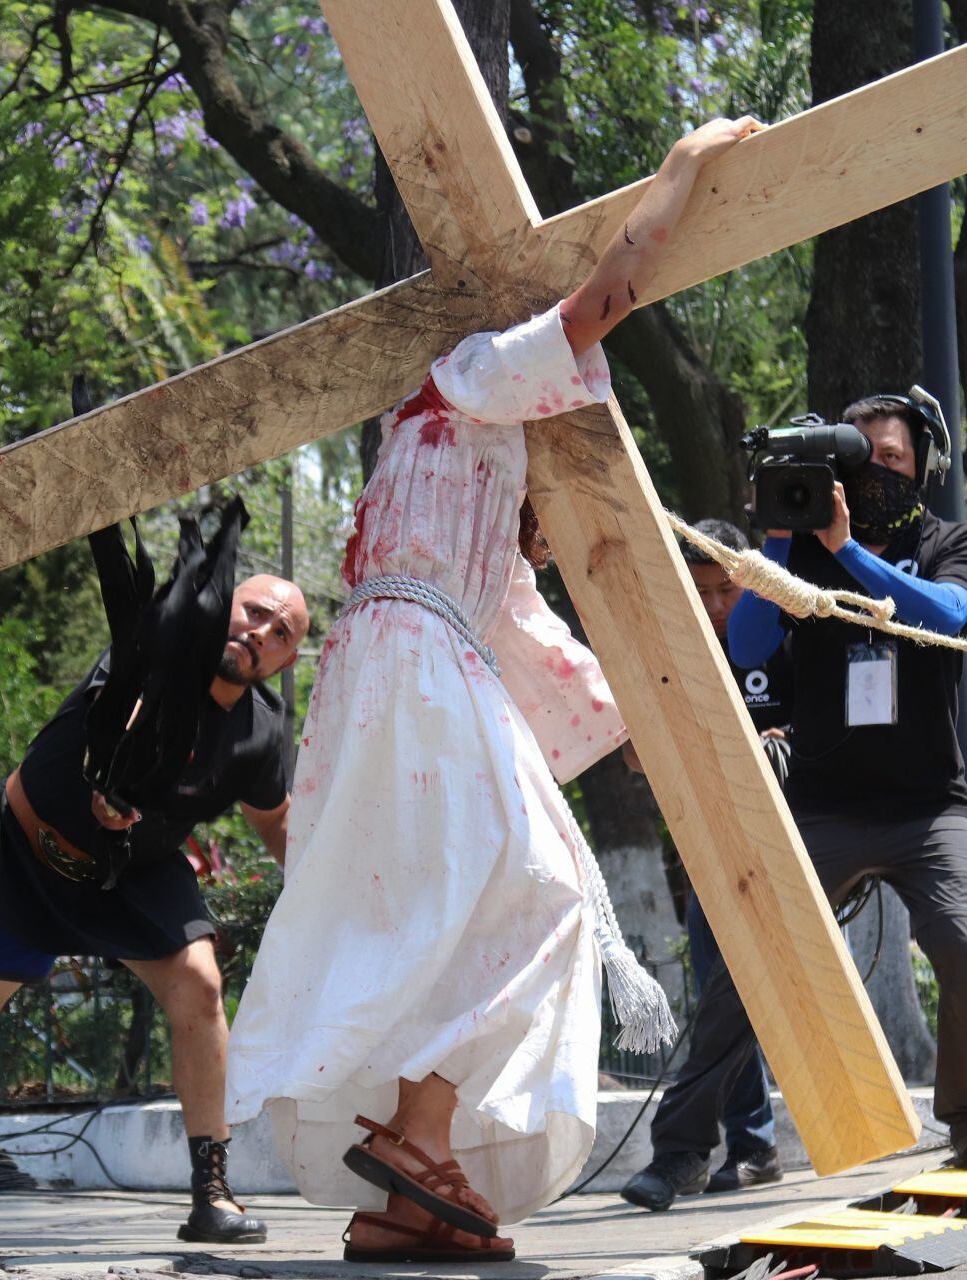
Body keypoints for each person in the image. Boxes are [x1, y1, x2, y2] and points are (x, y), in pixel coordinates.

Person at [223, 116, 765, 1263]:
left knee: (436, 914)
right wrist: (678, 170)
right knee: (545, 888)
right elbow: (602, 300)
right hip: (411, 682)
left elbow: (551, 656)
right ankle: (420, 1136)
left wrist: (665, 702)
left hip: (386, 689)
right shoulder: (467, 378)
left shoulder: (458, 507)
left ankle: (413, 1194)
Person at [0, 574, 308, 1244]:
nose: (260, 633)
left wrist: (321, 894)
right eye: (254, 613)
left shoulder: (263, 728)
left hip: (138, 872)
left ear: (286, 660)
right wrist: (112, 788)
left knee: (201, 986)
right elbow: (120, 728)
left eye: (281, 633)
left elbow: (274, 822)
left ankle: (210, 1192)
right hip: (29, 857)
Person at [620, 392, 967, 1213]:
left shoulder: (956, 542)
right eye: (864, 455)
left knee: (964, 939)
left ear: (926, 467)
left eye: (895, 457)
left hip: (927, 807)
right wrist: (779, 540)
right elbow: (751, 645)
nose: (879, 468)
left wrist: (849, 552)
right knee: (746, 961)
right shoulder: (799, 555)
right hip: (823, 809)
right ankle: (682, 1154)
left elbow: (944, 614)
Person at [677, 517, 791, 1191]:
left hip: (795, 844)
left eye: (726, 590)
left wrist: (783, 742)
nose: (717, 608)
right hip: (712, 846)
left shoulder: (783, 631)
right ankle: (752, 1143)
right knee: (721, 993)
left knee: (783, 990)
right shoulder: (677, 648)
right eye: (701, 593)